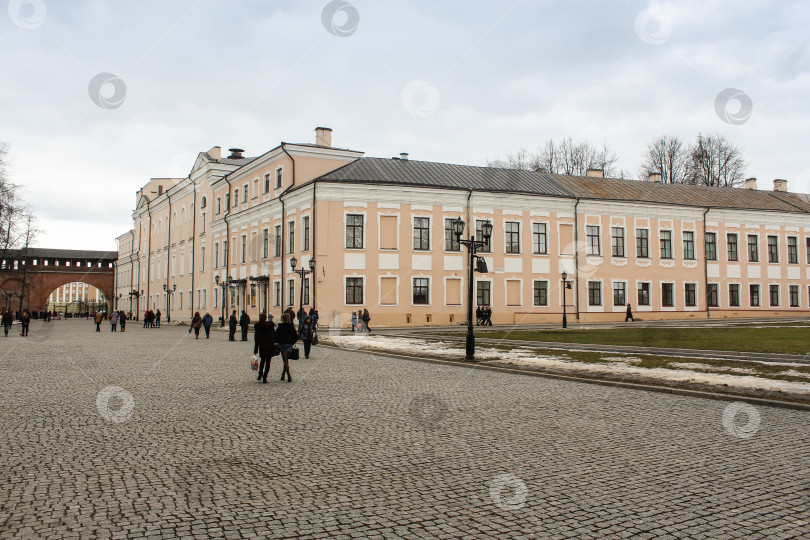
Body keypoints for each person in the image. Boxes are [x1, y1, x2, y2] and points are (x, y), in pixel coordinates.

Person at [253, 312, 276, 384]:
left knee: (262, 360)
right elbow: (274, 335)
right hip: (269, 345)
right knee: (268, 361)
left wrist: (256, 348)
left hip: (262, 346)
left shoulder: (258, 326)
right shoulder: (270, 325)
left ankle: (260, 374)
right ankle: (265, 377)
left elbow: (256, 338)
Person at [275, 313, 297, 382]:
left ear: (283, 319)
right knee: (286, 360)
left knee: (285, 361)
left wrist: (277, 342)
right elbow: (295, 336)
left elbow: (276, 336)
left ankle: (288, 374)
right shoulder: (291, 326)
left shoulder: (280, 326)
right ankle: (283, 374)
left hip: (283, 344)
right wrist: (292, 342)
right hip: (289, 344)